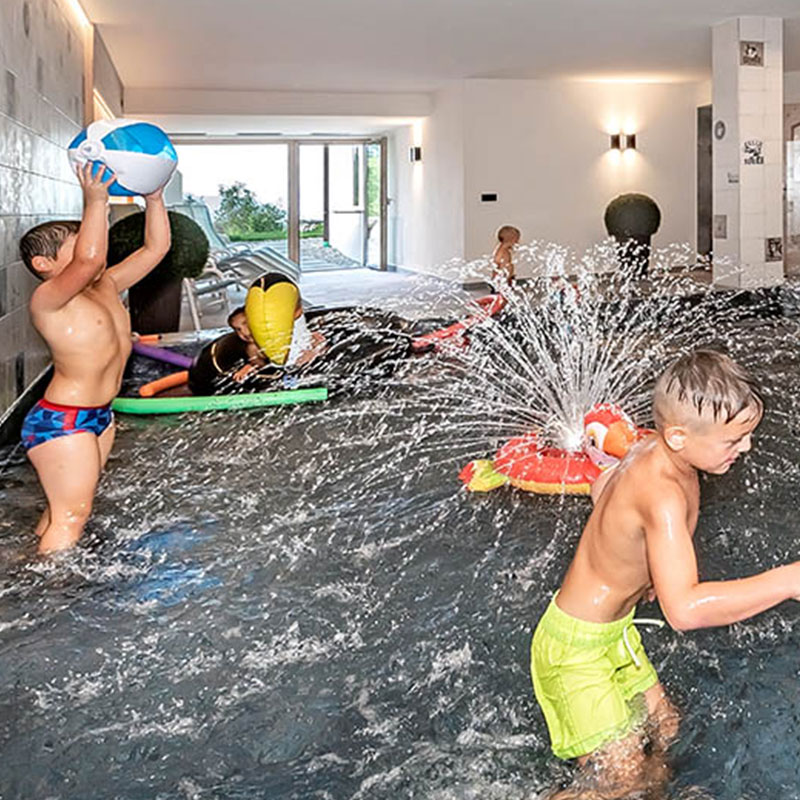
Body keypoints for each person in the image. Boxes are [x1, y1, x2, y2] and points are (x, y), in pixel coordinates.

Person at [530, 350, 800, 799]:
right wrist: (787, 581)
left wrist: (642, 565)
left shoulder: (651, 451)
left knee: (667, 728)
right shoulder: (664, 495)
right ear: (678, 436)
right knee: (619, 780)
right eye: (733, 440)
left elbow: (602, 486)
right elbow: (685, 610)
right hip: (575, 650)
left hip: (614, 633)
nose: (746, 448)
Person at [19, 163, 170, 554]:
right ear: (44, 264)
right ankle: (52, 587)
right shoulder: (50, 300)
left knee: (66, 509)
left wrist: (154, 198)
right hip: (62, 421)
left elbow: (155, 250)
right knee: (72, 514)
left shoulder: (106, 285)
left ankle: (31, 561)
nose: (95, 250)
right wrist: (96, 201)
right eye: (79, 243)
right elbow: (87, 260)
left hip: (98, 415)